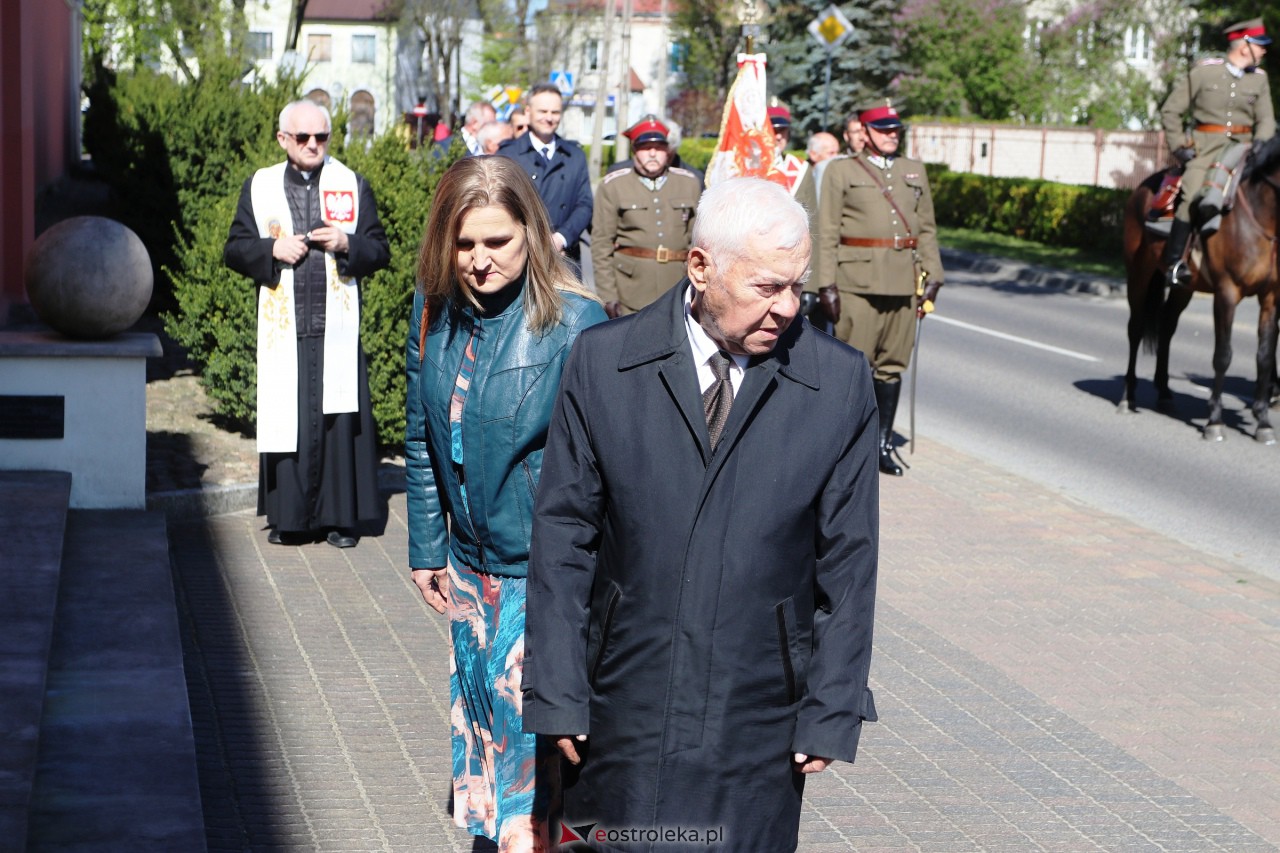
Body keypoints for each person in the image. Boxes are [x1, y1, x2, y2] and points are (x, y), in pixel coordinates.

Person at [525, 177, 879, 853]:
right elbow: (564, 536)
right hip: (622, 699)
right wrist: (558, 690)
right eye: (767, 286)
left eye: (797, 286)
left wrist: (831, 707)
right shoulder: (606, 362)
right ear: (700, 267)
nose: (787, 306)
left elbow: (850, 559)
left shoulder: (836, 383)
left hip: (758, 713)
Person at [405, 156, 607, 850]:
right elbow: (422, 431)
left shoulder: (577, 324)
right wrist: (427, 545)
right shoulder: (434, 307)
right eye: (464, 243)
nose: (479, 260)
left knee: (530, 754)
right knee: (486, 738)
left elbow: (604, 473)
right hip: (469, 571)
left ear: (533, 233)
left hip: (540, 576)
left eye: (498, 240)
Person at [224, 99, 390, 548]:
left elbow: (380, 249)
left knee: (338, 425)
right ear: (283, 139)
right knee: (289, 423)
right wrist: (270, 250)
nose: (313, 144)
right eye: (303, 137)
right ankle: (290, 519)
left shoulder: (352, 184)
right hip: (287, 331)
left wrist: (347, 242)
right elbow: (234, 249)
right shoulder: (260, 186)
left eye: (322, 136)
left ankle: (340, 520)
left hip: (336, 329)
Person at [814, 99, 944, 476]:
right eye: (883, 130)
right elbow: (827, 230)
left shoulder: (913, 170)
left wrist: (934, 274)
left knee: (891, 366)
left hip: (903, 283)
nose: (891, 135)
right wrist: (826, 284)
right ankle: (843, 448)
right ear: (866, 133)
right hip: (856, 284)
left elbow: (926, 229)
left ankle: (881, 444)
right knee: (854, 367)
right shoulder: (841, 171)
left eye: (895, 130)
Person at [1160, 17, 1275, 288]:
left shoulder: (1259, 80)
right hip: (1205, 148)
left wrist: (1262, 142)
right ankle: (1175, 263)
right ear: (1244, 46)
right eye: (1259, 45)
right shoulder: (1204, 73)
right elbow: (1171, 110)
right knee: (1191, 193)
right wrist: (1179, 146)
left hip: (1244, 149)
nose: (1263, 50)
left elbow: (1266, 119)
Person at [592, 115, 704, 318]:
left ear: (668, 151)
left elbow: (697, 241)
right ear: (634, 150)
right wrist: (608, 296)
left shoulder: (689, 184)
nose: (653, 153)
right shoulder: (613, 186)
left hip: (677, 287)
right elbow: (601, 245)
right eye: (645, 147)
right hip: (630, 290)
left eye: (659, 147)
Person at [497, 84, 593, 267]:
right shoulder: (508, 154)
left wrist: (561, 238)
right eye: (543, 111)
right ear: (528, 112)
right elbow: (500, 205)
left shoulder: (575, 155)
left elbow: (585, 205)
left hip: (565, 258)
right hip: (521, 259)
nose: (549, 118)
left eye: (555, 112)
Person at [767, 104, 808, 195]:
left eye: (782, 130)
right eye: (773, 130)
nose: (778, 136)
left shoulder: (801, 167)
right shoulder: (746, 166)